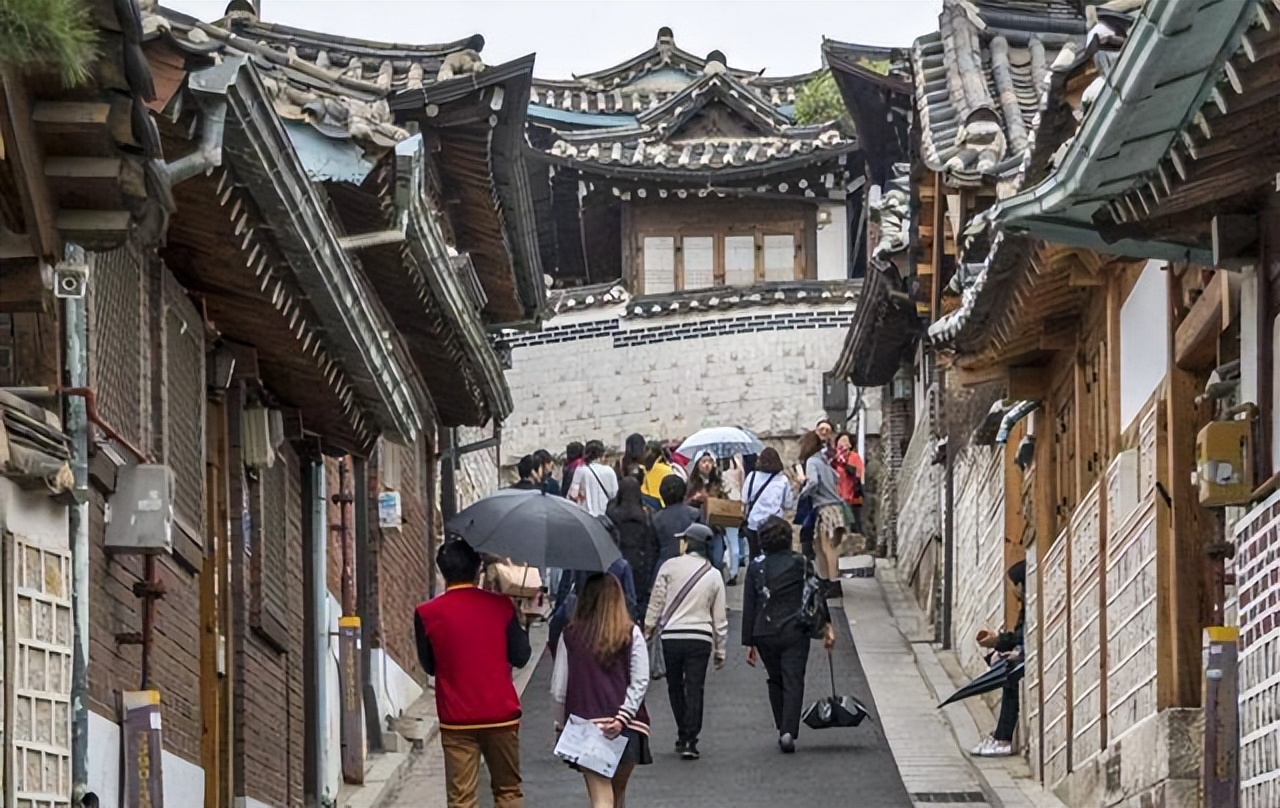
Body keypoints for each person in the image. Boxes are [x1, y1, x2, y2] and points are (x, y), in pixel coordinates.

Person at [415, 539, 532, 807]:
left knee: (461, 800)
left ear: (442, 572)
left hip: (457, 717)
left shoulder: (426, 613)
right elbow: (522, 656)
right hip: (500, 714)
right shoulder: (501, 606)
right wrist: (522, 619)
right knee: (508, 791)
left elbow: (430, 666)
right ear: (478, 569)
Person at [551, 573, 652, 808]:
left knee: (600, 796)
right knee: (617, 794)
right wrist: (623, 717)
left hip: (588, 725)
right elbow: (640, 680)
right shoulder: (631, 632)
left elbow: (559, 689)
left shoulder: (571, 635)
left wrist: (559, 725)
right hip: (629, 728)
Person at [741, 516, 836, 754]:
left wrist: (748, 642)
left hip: (764, 630)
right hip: (795, 629)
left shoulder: (756, 566)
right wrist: (827, 627)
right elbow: (815, 596)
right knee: (793, 678)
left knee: (775, 678)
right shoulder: (801, 563)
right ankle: (788, 730)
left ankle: (781, 723)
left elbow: (750, 605)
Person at [644, 524, 728, 760]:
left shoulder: (669, 567)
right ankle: (691, 738)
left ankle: (683, 730)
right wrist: (720, 649)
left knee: (675, 686)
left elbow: (657, 601)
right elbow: (719, 618)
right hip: (700, 637)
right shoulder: (713, 574)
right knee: (695, 687)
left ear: (688, 543)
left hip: (672, 636)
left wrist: (648, 628)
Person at [971, 561, 1026, 758]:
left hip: (1026, 658)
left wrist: (999, 641)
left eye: (1013, 585)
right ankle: (1000, 735)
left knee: (1010, 679)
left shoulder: (1031, 603)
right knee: (1005, 669)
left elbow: (1023, 637)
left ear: (1021, 585)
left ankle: (1004, 738)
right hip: (1021, 653)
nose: (1012, 590)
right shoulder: (1024, 606)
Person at [606, 477, 662, 617]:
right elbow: (650, 546)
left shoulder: (612, 513)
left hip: (616, 562)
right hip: (639, 564)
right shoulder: (645, 516)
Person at [799, 430, 846, 590]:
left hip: (825, 508)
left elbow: (813, 482)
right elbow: (836, 478)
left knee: (827, 548)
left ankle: (831, 582)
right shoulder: (824, 461)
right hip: (835, 507)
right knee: (820, 546)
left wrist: (802, 492)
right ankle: (826, 580)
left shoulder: (812, 461)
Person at [741, 448, 796, 559]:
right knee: (775, 556)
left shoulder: (751, 477)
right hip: (775, 524)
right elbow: (788, 504)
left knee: (754, 555)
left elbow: (744, 499)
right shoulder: (782, 480)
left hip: (753, 523)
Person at [684, 452, 727, 575]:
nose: (707, 465)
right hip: (698, 528)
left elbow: (724, 503)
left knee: (717, 562)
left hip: (716, 528)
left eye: (709, 461)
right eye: (703, 462)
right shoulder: (691, 483)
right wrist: (694, 499)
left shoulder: (718, 483)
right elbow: (685, 503)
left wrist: (709, 498)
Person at [652, 476, 702, 567]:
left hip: (665, 567)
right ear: (684, 493)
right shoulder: (696, 515)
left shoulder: (655, 519)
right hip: (693, 567)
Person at [569, 440, 619, 517]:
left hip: (586, 516)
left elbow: (573, 495)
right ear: (601, 455)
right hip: (606, 517)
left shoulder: (581, 470)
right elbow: (614, 495)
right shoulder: (610, 471)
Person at [833, 433, 864, 534]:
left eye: (846, 441)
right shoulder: (832, 457)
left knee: (850, 522)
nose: (843, 443)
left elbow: (858, 473)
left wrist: (844, 464)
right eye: (841, 440)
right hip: (835, 494)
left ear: (850, 444)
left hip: (850, 495)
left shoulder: (853, 457)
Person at [640, 442, 674, 511]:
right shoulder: (647, 469)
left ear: (654, 454)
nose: (643, 455)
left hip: (660, 505)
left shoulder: (663, 469)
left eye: (646, 451)